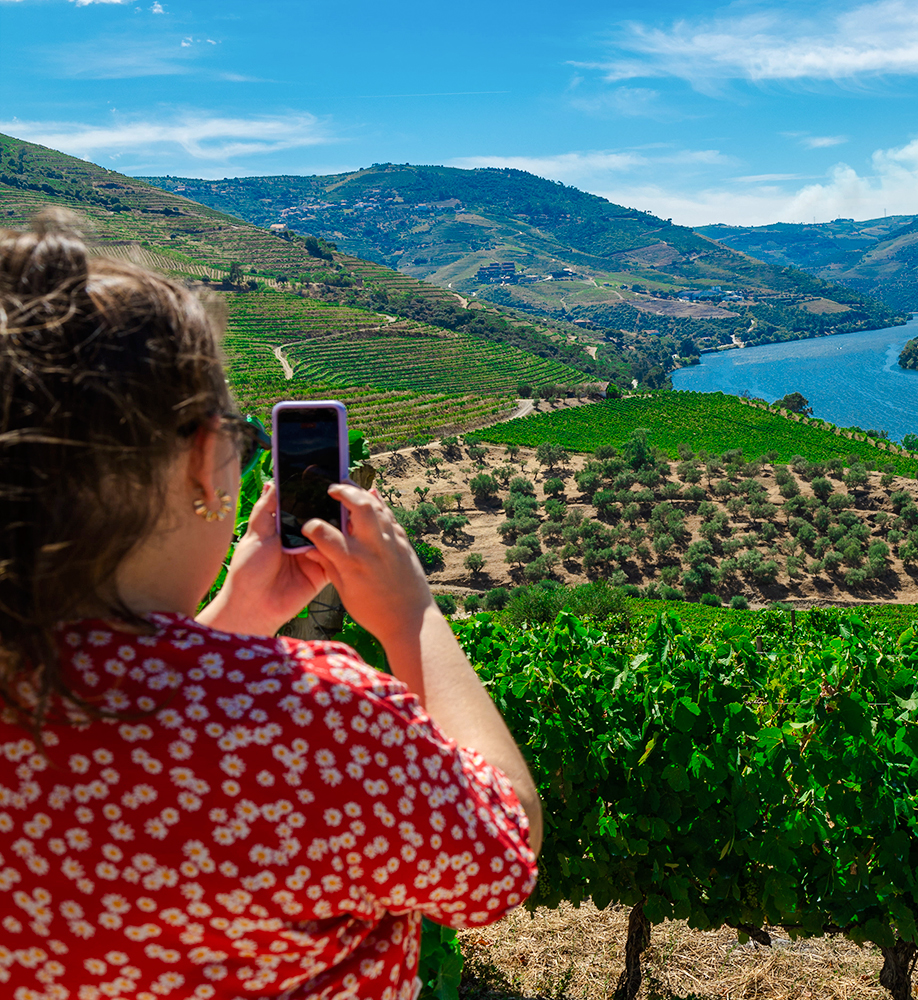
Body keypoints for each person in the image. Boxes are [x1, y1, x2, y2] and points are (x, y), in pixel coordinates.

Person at [0, 210, 542, 998]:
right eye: (241, 437)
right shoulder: (317, 724)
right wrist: (412, 616)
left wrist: (234, 617)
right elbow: (500, 854)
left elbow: (138, 731)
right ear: (197, 459)